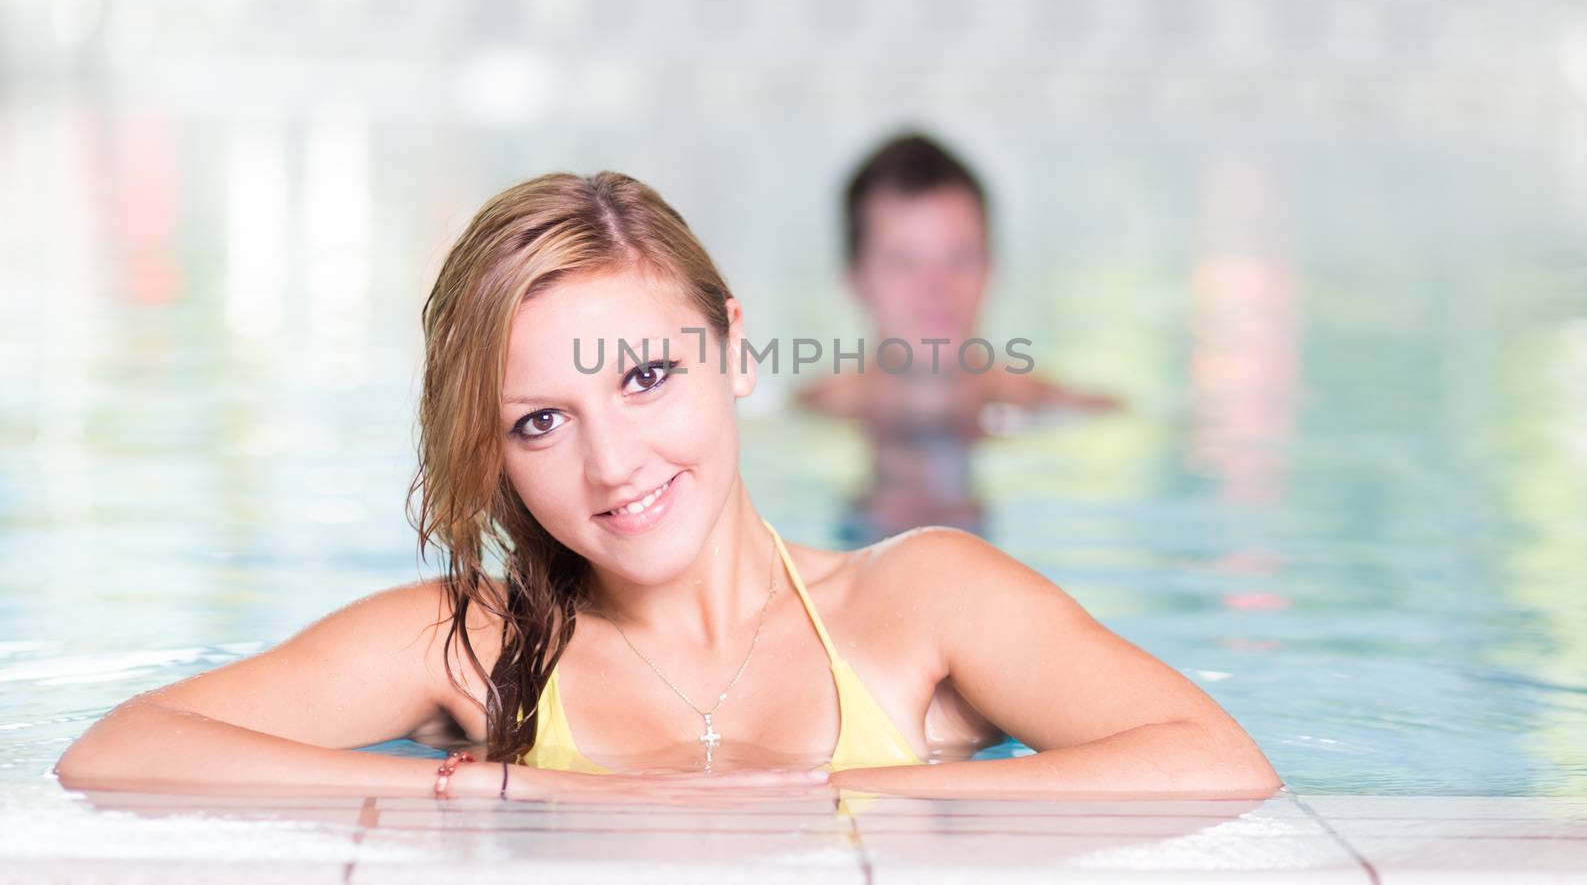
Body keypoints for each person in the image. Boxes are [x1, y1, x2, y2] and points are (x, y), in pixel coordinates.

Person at [54, 172, 1280, 801]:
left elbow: (1217, 760)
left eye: (645, 375)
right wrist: (465, 792)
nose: (613, 462)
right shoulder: (475, 641)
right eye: (541, 420)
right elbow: (120, 749)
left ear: (736, 349)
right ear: (493, 451)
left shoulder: (918, 602)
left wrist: (872, 804)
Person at [797, 132, 1121, 542]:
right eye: (904, 262)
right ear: (853, 279)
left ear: (992, 268)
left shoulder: (1079, 414)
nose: (936, 289)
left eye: (959, 258)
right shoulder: (806, 416)